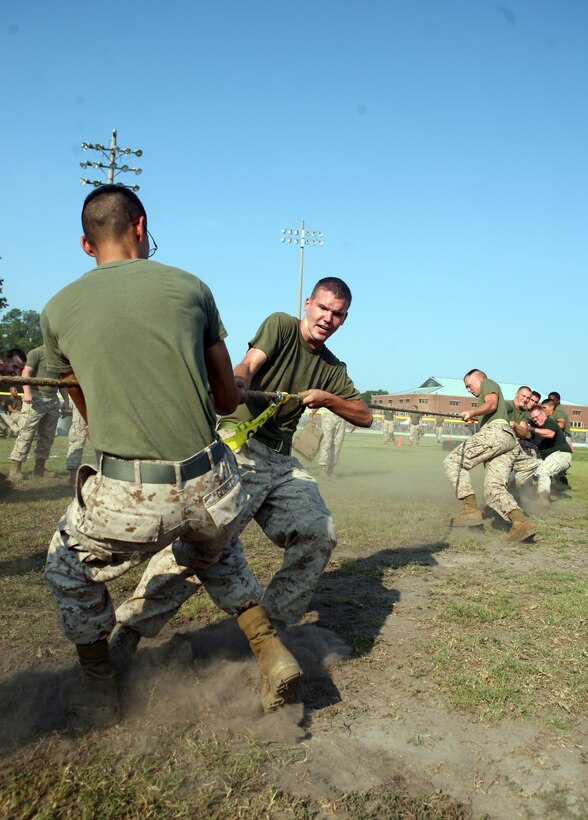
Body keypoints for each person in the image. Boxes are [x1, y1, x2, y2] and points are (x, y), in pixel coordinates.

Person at [39, 184, 296, 728]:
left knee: (65, 565)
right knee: (214, 546)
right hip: (212, 484)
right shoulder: (192, 288)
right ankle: (271, 651)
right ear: (141, 226)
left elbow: (87, 412)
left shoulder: (57, 310)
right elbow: (228, 400)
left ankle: (97, 683)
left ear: (86, 245)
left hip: (129, 494)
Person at [111, 277, 373, 666]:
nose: (327, 319)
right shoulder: (282, 326)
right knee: (203, 541)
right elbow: (249, 365)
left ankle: (268, 634)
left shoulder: (333, 368)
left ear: (344, 319)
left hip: (283, 464)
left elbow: (364, 416)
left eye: (337, 314)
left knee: (320, 533)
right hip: (241, 449)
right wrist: (235, 385)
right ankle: (129, 629)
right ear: (308, 304)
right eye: (322, 309)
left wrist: (327, 398)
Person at [443, 369, 535, 542]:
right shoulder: (498, 402)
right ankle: (520, 524)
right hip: (508, 441)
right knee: (494, 487)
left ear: (478, 379)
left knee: (454, 461)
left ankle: (470, 510)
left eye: (468, 385)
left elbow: (491, 404)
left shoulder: (487, 383)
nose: (468, 390)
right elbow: (497, 407)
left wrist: (472, 412)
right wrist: (478, 417)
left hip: (496, 433)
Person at [9, 345, 69, 481]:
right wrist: (27, 392)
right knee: (27, 433)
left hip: (53, 399)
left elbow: (61, 381)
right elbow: (26, 373)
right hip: (35, 397)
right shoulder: (37, 352)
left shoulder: (60, 357)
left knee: (47, 436)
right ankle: (15, 469)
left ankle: (40, 469)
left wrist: (65, 399)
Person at [528, 403, 573, 505]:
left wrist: (532, 429)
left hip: (562, 455)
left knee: (543, 471)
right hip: (547, 458)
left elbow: (550, 433)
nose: (536, 419)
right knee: (530, 471)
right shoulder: (533, 424)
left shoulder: (550, 422)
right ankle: (550, 492)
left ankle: (542, 500)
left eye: (537, 416)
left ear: (543, 413)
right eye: (533, 418)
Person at [316, 408, 353, 478]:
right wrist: (311, 414)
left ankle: (330, 470)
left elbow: (351, 402)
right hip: (328, 414)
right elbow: (321, 399)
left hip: (342, 416)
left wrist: (354, 421)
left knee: (337, 444)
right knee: (326, 442)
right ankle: (323, 469)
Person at [66, 404, 89, 487]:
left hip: (101, 400)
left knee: (103, 437)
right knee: (77, 435)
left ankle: (105, 474)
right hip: (82, 398)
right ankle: (73, 477)